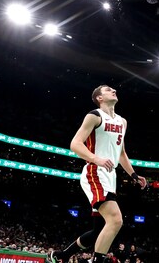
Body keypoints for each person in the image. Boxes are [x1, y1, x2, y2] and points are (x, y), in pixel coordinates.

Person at [48, 85, 148, 263]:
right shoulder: (94, 115)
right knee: (116, 220)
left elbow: (121, 153)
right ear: (99, 98)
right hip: (95, 172)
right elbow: (75, 144)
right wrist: (96, 159)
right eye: (108, 90)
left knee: (99, 230)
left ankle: (62, 256)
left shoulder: (122, 122)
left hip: (110, 177)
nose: (114, 90)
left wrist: (134, 175)